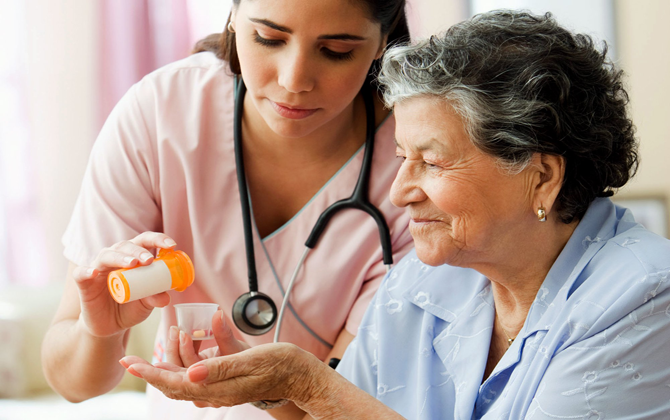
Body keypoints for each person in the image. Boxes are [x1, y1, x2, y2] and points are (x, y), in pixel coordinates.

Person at [120, 9, 670, 419]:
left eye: (430, 162)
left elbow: (334, 401)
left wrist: (310, 383)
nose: (400, 191)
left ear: (542, 176)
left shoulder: (643, 297)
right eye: (401, 157)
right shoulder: (424, 280)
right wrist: (261, 381)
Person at [41, 0, 414, 419]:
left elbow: (345, 408)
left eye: (336, 51)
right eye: (268, 38)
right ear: (234, 16)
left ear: (383, 40)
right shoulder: (163, 111)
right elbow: (73, 384)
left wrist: (276, 384)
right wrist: (99, 332)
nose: (294, 81)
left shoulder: (417, 163)